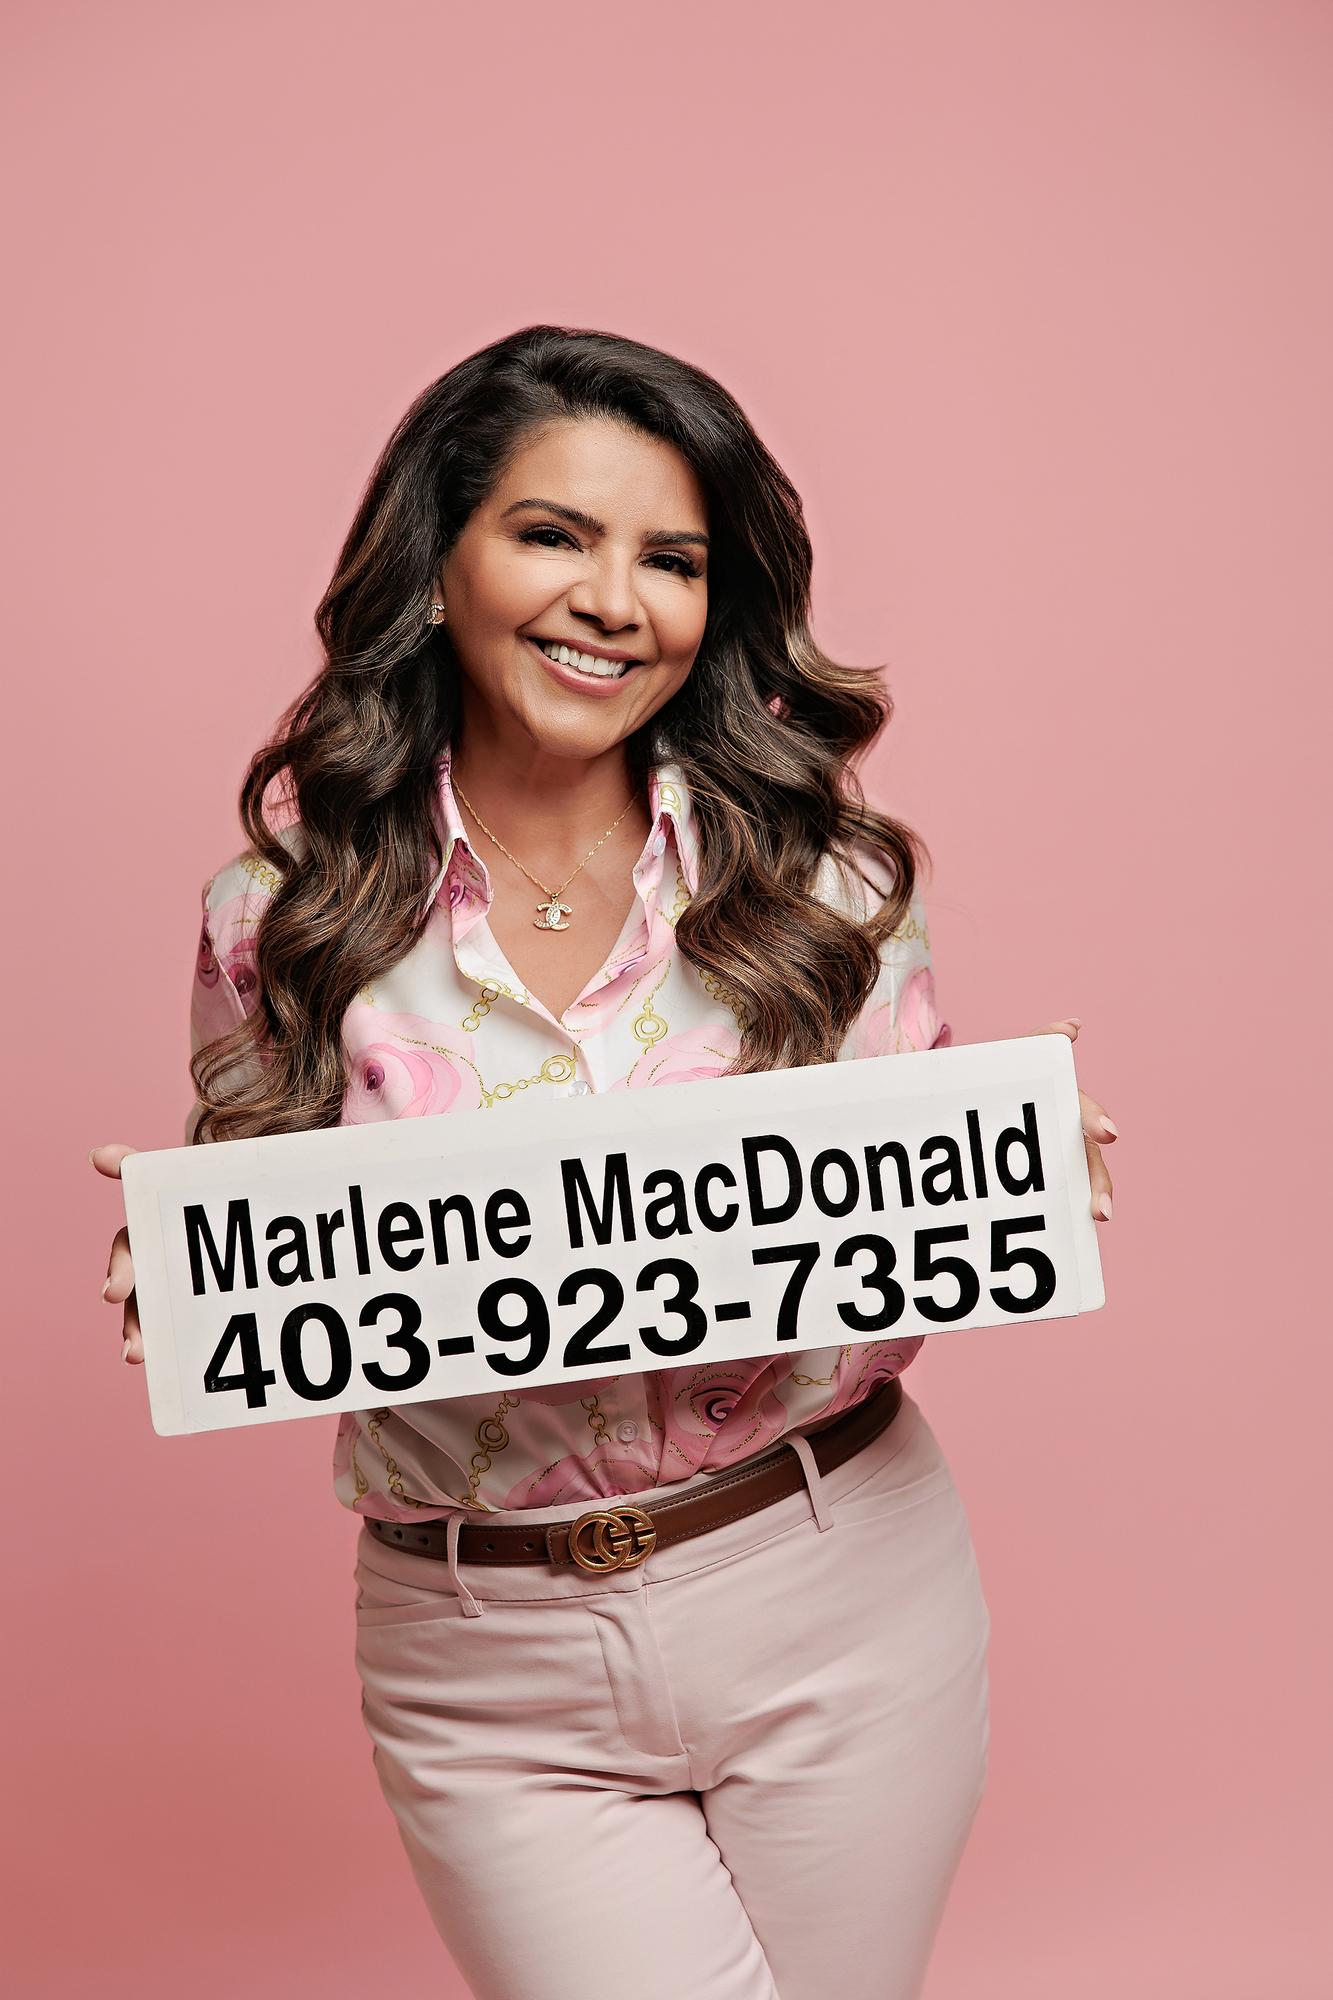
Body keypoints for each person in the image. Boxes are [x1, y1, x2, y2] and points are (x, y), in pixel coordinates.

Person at [91, 324, 1117, 2000]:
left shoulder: (826, 879)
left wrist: (1003, 1167)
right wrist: (195, 1256)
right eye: (552, 534)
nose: (611, 600)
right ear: (440, 565)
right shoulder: (278, 914)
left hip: (836, 1590)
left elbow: (901, 1224)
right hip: (483, 1645)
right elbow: (285, 1231)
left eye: (671, 560)